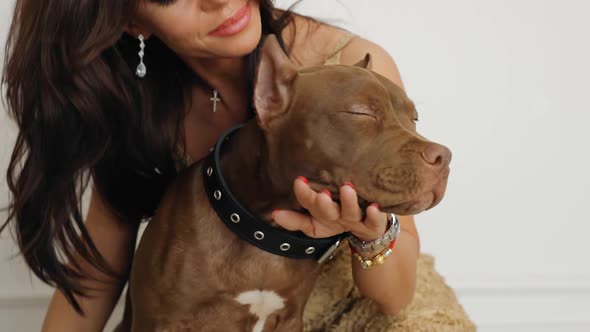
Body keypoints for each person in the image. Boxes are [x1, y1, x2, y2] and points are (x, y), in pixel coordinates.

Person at [1, 0, 420, 330]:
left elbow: (395, 300)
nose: (220, 1)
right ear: (131, 22)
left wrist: (369, 232)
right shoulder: (138, 105)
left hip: (351, 310)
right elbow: (98, 272)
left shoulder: (350, 66)